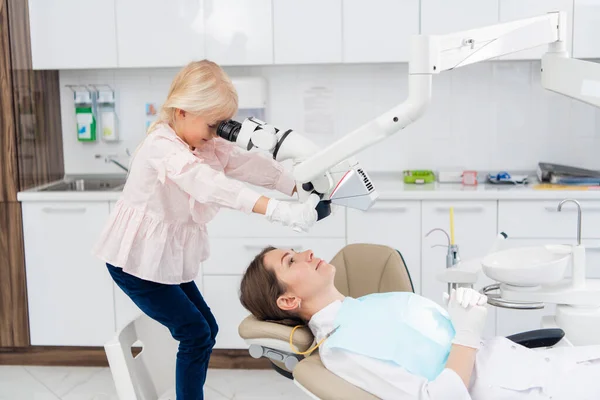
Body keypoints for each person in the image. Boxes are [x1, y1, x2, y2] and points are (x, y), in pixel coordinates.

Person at [92, 60, 320, 400]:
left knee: (206, 329)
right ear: (182, 112)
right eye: (212, 125)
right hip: (135, 263)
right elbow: (208, 184)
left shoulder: (205, 143)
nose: (216, 134)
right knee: (195, 333)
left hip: (163, 258)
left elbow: (247, 164)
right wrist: (278, 211)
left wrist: (299, 187)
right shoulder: (162, 146)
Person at [239, 246, 600, 400]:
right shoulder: (341, 350)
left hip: (540, 368)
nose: (307, 254)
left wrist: (458, 319)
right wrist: (467, 331)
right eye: (291, 260)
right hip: (529, 389)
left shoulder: (369, 305)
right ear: (288, 300)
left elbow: (441, 347)